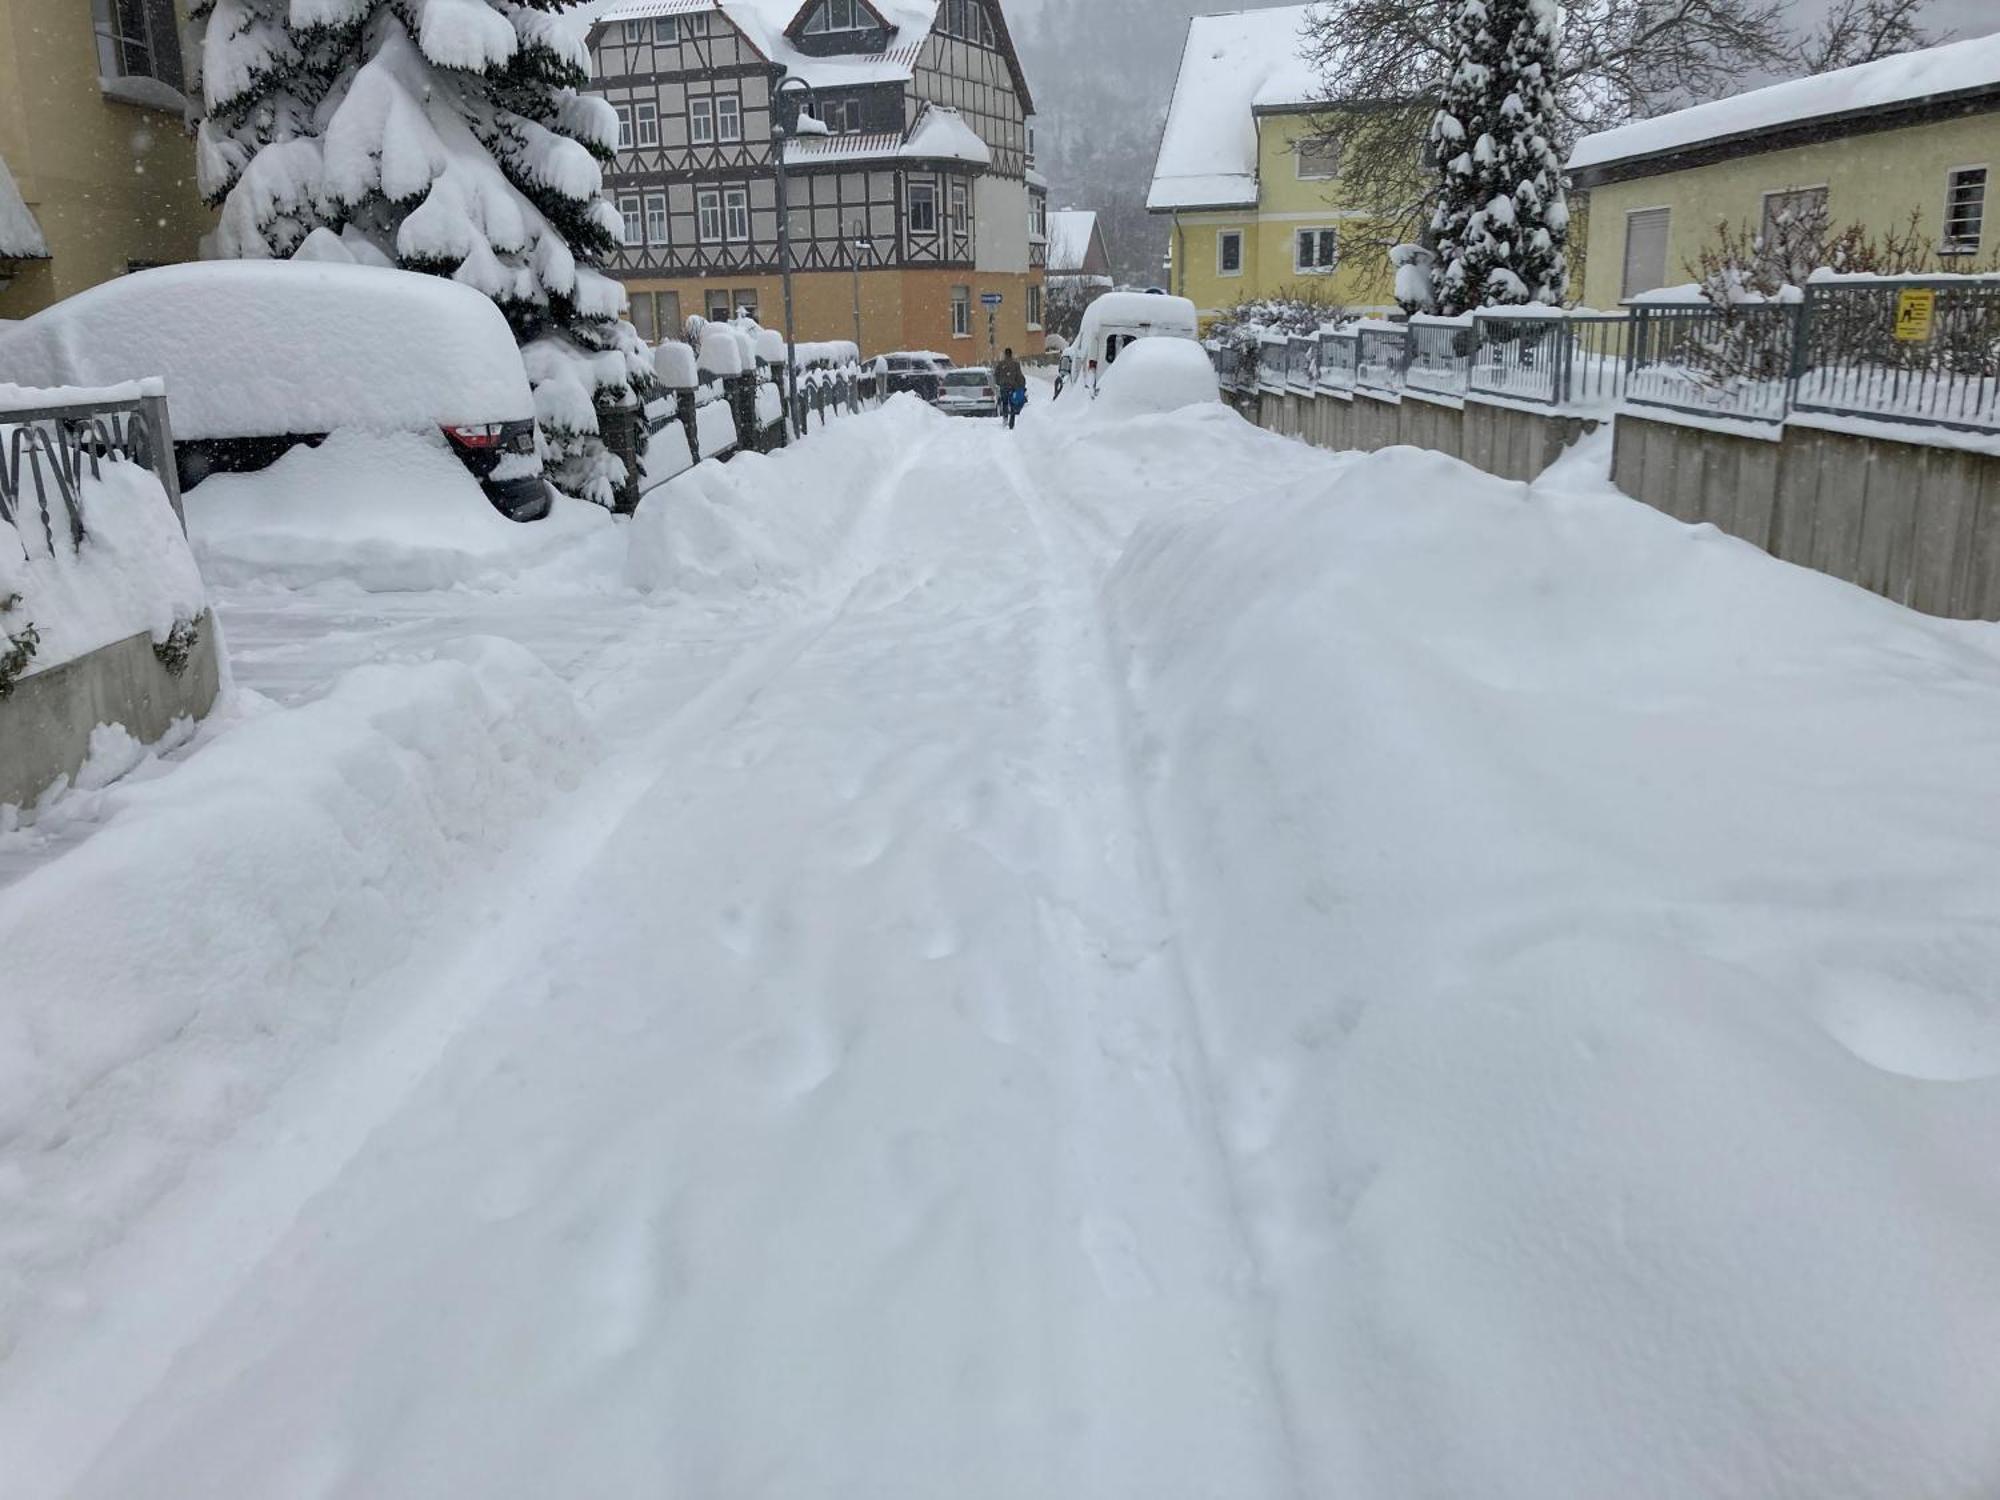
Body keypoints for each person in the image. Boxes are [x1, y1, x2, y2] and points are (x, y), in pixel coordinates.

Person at [994, 347, 1027, 429]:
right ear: (1011, 354)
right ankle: (1012, 421)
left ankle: (1005, 419)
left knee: (1004, 403)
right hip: (1012, 387)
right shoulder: (1015, 364)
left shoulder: (1000, 364)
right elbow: (1019, 376)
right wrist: (1021, 385)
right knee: (1012, 404)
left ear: (1005, 354)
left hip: (1003, 387)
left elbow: (996, 375)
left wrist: (999, 382)